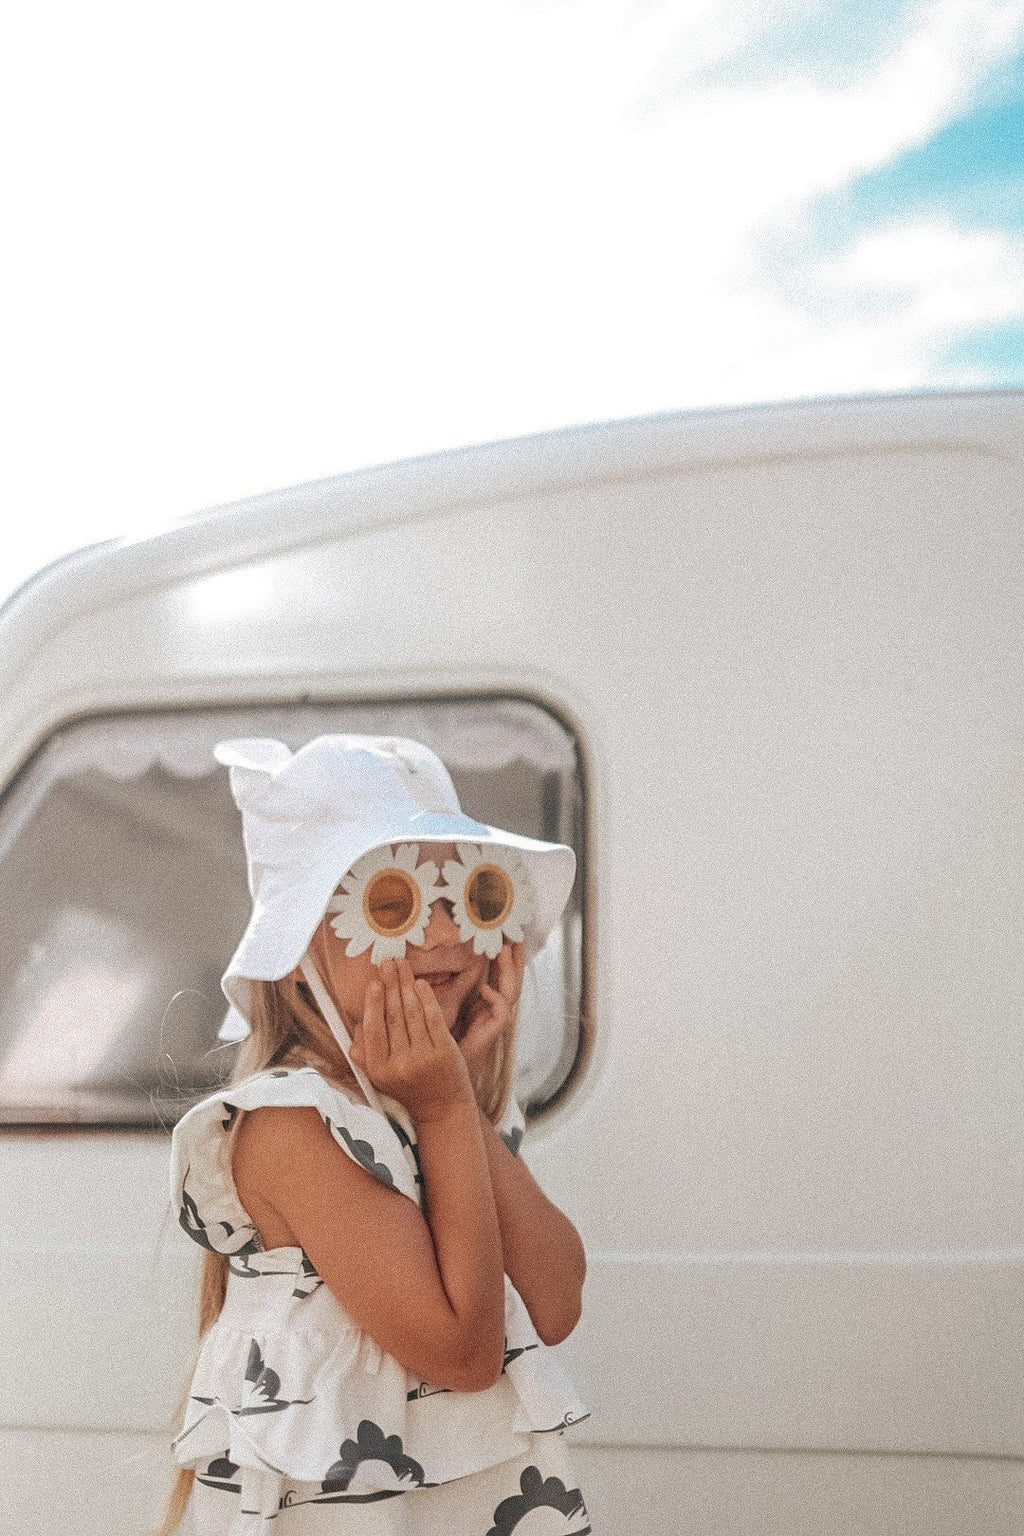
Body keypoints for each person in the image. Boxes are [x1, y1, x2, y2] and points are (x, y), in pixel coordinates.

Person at [156, 733, 592, 1535]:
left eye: (469, 896)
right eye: (392, 905)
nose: (445, 936)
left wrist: (456, 1108)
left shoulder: (433, 1110)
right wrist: (444, 1114)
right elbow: (464, 1353)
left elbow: (557, 1297)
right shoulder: (288, 1125)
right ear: (295, 952)